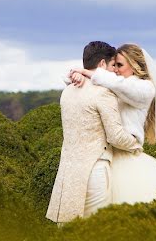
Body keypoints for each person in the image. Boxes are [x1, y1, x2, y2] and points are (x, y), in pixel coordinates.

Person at [67, 44, 156, 204]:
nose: (115, 69)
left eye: (120, 65)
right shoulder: (113, 85)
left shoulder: (145, 88)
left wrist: (91, 74)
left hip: (127, 155)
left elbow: (121, 85)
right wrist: (79, 75)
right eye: (114, 64)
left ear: (135, 66)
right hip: (107, 155)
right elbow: (76, 84)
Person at [46, 41, 142, 224]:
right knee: (96, 230)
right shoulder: (103, 93)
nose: (114, 71)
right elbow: (115, 136)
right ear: (101, 65)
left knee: (70, 230)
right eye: (112, 65)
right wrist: (136, 144)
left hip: (68, 173)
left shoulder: (67, 92)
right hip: (95, 171)